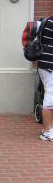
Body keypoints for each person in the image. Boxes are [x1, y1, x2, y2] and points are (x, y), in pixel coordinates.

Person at [37, 13, 53, 142]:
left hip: (45, 63)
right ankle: (47, 132)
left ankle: (48, 129)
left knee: (50, 94)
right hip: (49, 65)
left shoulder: (49, 20)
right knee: (50, 96)